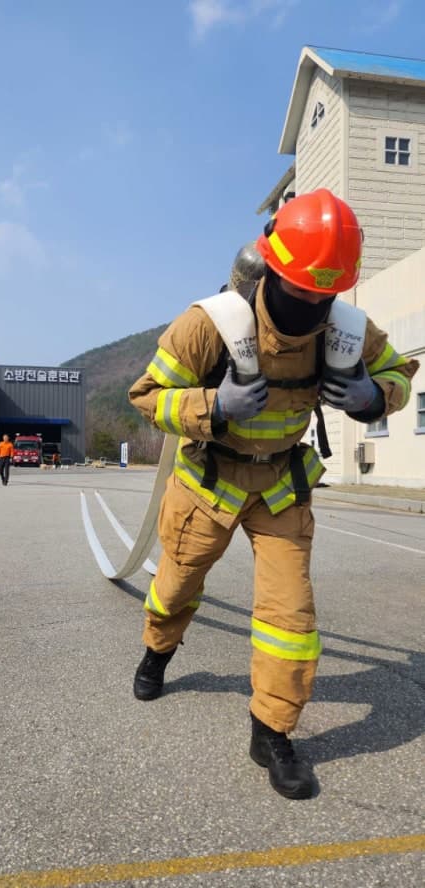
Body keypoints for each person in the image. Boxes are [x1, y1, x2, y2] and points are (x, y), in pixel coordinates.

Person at [128, 189, 419, 800]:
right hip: (209, 483)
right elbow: (148, 396)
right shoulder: (210, 324)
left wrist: (374, 397)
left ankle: (273, 731)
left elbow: (398, 374)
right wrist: (213, 406)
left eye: (326, 294)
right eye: (301, 290)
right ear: (271, 268)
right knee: (176, 585)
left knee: (291, 618)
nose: (312, 305)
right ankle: (158, 650)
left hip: (282, 489)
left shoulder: (346, 329)